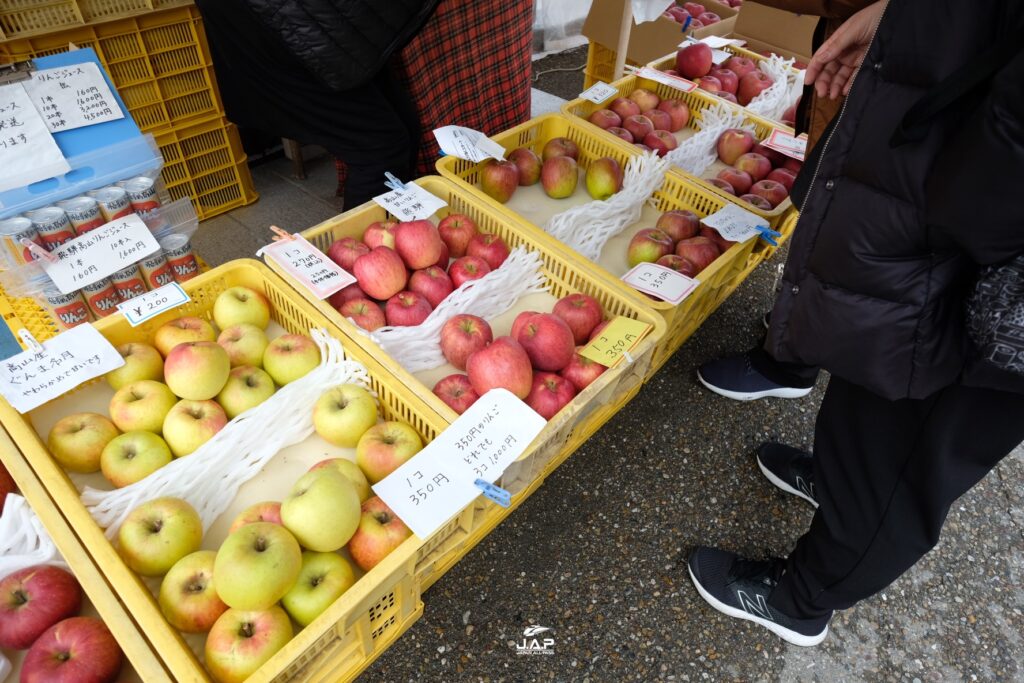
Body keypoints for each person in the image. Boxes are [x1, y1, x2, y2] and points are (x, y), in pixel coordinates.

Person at [687, 0, 1024, 646]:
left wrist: (964, 207)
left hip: (989, 207)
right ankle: (844, 485)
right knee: (882, 366)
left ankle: (801, 596)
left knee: (920, 434)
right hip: (959, 139)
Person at [696, 0, 878, 402]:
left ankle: (788, 364)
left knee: (840, 222)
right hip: (870, 69)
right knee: (830, 213)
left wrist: (894, 16)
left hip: (886, 93)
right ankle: (795, 326)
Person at [195, 0, 439, 209]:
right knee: (378, 147)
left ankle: (394, 236)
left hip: (321, 23)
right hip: (288, 22)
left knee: (402, 126)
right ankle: (358, 258)